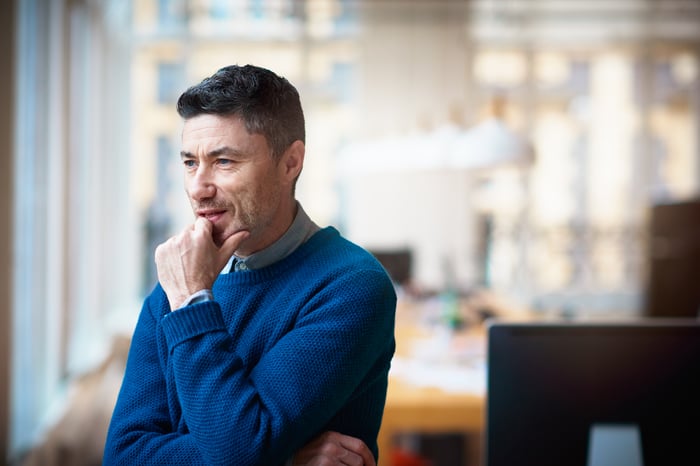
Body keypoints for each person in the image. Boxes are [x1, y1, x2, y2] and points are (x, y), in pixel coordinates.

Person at [103, 64, 397, 466]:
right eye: (190, 162)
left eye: (224, 161)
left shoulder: (351, 286)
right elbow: (124, 455)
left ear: (290, 162)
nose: (198, 187)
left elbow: (240, 451)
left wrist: (193, 302)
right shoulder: (179, 280)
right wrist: (285, 457)